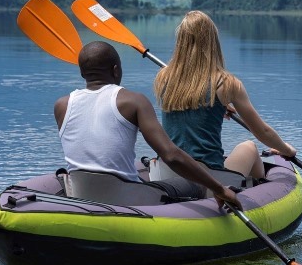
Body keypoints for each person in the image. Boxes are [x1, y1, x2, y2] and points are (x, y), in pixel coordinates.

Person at [54, 41, 242, 210]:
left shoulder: (62, 106)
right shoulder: (133, 101)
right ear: (116, 70)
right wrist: (219, 188)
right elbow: (171, 155)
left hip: (81, 196)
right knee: (194, 184)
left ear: (82, 73)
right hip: (126, 199)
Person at [154, 10, 297, 182]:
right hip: (208, 180)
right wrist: (286, 150)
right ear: (212, 42)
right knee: (249, 147)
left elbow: (189, 106)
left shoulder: (163, 77)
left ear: (181, 42)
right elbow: (262, 131)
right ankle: (257, 193)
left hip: (166, 174)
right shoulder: (227, 84)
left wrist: (217, 106)